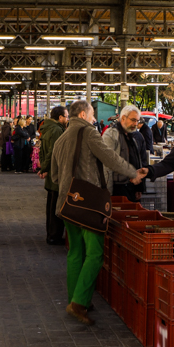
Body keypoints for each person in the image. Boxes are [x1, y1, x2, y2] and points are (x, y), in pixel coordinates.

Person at [52, 100, 145, 326]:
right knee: (95, 254)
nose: (94, 119)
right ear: (83, 114)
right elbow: (109, 157)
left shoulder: (61, 138)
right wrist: (132, 172)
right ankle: (79, 303)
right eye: (92, 114)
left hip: (66, 202)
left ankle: (75, 297)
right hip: (88, 203)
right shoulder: (89, 133)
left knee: (75, 252)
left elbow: (53, 176)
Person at [102, 105, 148, 201]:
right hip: (118, 188)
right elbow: (106, 166)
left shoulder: (134, 136)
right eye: (133, 120)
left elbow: (139, 161)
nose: (136, 124)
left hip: (132, 188)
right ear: (123, 118)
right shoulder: (111, 135)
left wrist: (139, 188)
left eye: (137, 121)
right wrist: (107, 194)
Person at [37, 105, 68, 245]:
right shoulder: (57, 130)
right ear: (60, 117)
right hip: (56, 174)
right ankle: (54, 236)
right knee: (56, 207)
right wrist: (44, 168)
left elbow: (42, 152)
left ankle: (51, 234)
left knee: (51, 205)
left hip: (51, 173)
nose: (67, 119)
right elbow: (53, 152)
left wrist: (44, 167)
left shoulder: (47, 129)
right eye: (66, 116)